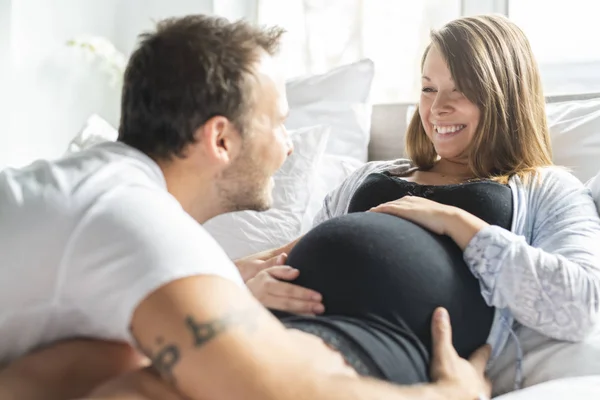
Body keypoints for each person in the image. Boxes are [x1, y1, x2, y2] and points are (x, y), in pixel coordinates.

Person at [0, 14, 492, 400]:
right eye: (279, 124)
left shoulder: (101, 190)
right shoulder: (142, 226)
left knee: (107, 362)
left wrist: (226, 281)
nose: (288, 147)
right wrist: (450, 393)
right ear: (220, 139)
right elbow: (276, 391)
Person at [249, 13, 600, 389]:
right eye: (429, 88)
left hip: (380, 347)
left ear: (505, 96)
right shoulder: (366, 176)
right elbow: (286, 256)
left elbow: (581, 306)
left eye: (461, 90)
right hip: (283, 327)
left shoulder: (548, 188)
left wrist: (458, 223)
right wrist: (256, 287)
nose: (437, 109)